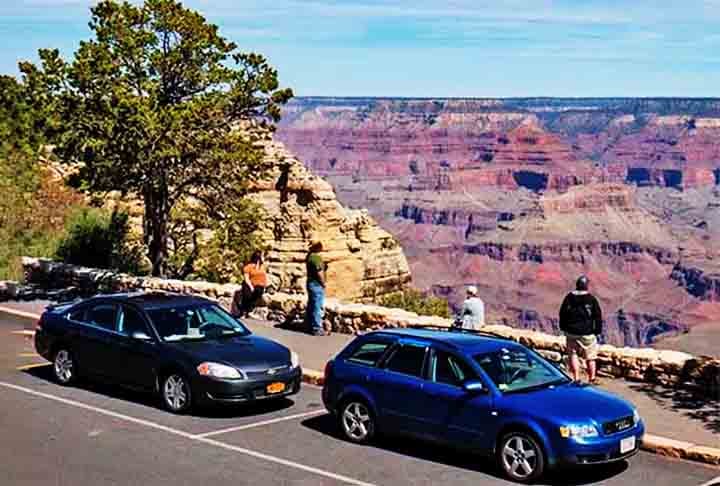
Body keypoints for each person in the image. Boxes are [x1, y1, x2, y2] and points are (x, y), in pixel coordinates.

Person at [559, 275, 603, 384]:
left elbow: (562, 313)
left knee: (573, 354)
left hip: (571, 332)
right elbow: (597, 316)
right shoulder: (591, 299)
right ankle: (592, 378)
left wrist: (563, 327)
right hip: (587, 332)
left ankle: (576, 378)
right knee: (590, 356)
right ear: (586, 286)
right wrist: (597, 330)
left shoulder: (569, 297)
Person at [305, 238, 327, 336]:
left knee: (311, 304)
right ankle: (317, 328)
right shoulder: (316, 258)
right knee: (317, 306)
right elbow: (319, 272)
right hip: (316, 284)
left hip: (310, 283)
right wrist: (323, 283)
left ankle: (309, 325)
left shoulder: (309, 256)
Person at [239, 251, 267, 317]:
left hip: (260, 285)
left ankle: (250, 310)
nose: (264, 258)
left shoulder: (262, 267)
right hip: (250, 284)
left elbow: (264, 277)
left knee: (258, 291)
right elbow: (246, 278)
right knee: (247, 293)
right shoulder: (248, 267)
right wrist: (251, 286)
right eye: (262, 257)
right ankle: (244, 310)